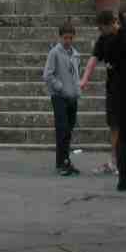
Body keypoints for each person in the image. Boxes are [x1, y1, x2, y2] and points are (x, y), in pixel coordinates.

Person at [82, 7, 126, 193]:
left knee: (122, 136)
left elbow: (109, 62)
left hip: (122, 95)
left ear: (119, 21)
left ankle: (123, 180)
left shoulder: (113, 40)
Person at [79, 9, 121, 174]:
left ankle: (121, 161)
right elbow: (93, 59)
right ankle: (115, 161)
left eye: (101, 28)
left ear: (111, 24)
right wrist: (84, 80)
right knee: (114, 125)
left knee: (125, 125)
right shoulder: (103, 39)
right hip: (113, 88)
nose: (100, 32)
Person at [42, 21, 81, 176]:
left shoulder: (76, 54)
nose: (68, 41)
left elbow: (76, 74)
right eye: (65, 38)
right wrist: (59, 87)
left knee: (69, 129)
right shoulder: (55, 53)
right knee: (62, 128)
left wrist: (77, 90)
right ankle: (61, 162)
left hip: (72, 97)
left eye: (70, 38)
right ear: (60, 37)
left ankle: (66, 160)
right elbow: (47, 74)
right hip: (59, 97)